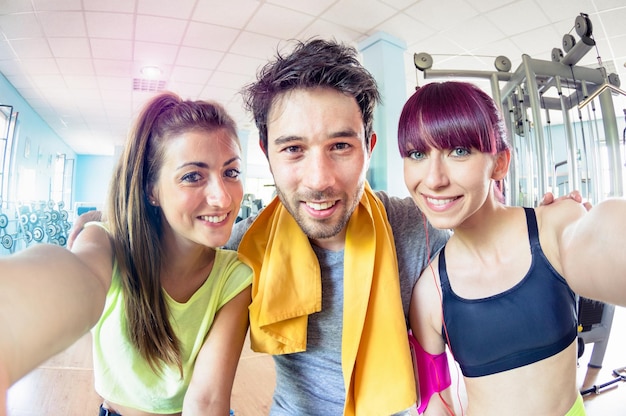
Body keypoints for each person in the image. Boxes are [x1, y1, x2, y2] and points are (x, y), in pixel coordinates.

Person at [65, 40, 584, 416]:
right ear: (266, 154)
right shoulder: (244, 247)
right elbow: (164, 237)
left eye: (341, 145)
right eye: (293, 149)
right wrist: (97, 228)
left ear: (369, 149)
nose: (319, 179)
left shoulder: (416, 230)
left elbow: (484, 239)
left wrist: (542, 225)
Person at [0, 92, 253, 416]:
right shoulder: (106, 244)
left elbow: (206, 401)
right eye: (193, 176)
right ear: (152, 190)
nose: (222, 198)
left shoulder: (236, 276)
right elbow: (81, 278)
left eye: (231, 172)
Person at [398, 81, 626, 416]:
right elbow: (437, 402)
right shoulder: (429, 294)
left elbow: (607, 236)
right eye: (417, 154)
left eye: (459, 151)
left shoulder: (555, 225)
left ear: (500, 163)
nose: (434, 179)